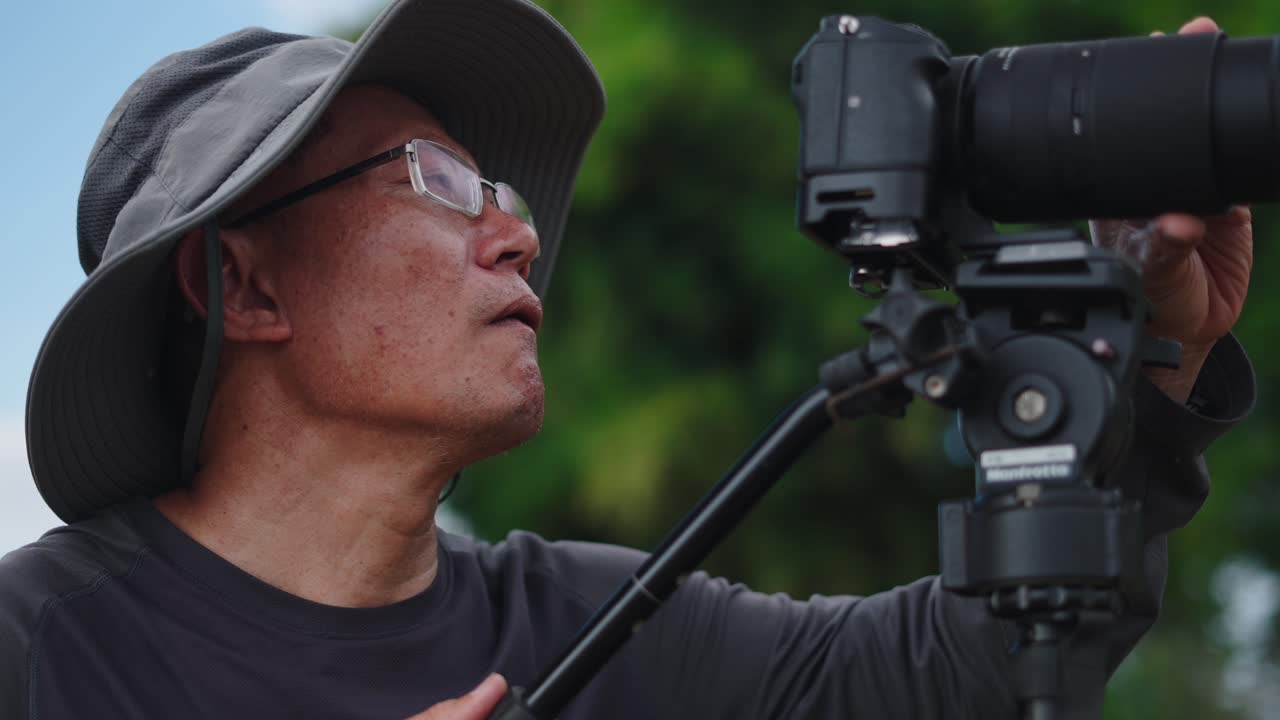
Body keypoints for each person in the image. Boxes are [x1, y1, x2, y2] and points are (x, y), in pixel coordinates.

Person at [0, 2, 1255, 718]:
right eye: (439, 183)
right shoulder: (40, 652)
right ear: (242, 282)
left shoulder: (607, 624)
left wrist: (1146, 361)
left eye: (497, 183)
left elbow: (956, 682)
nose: (520, 233)